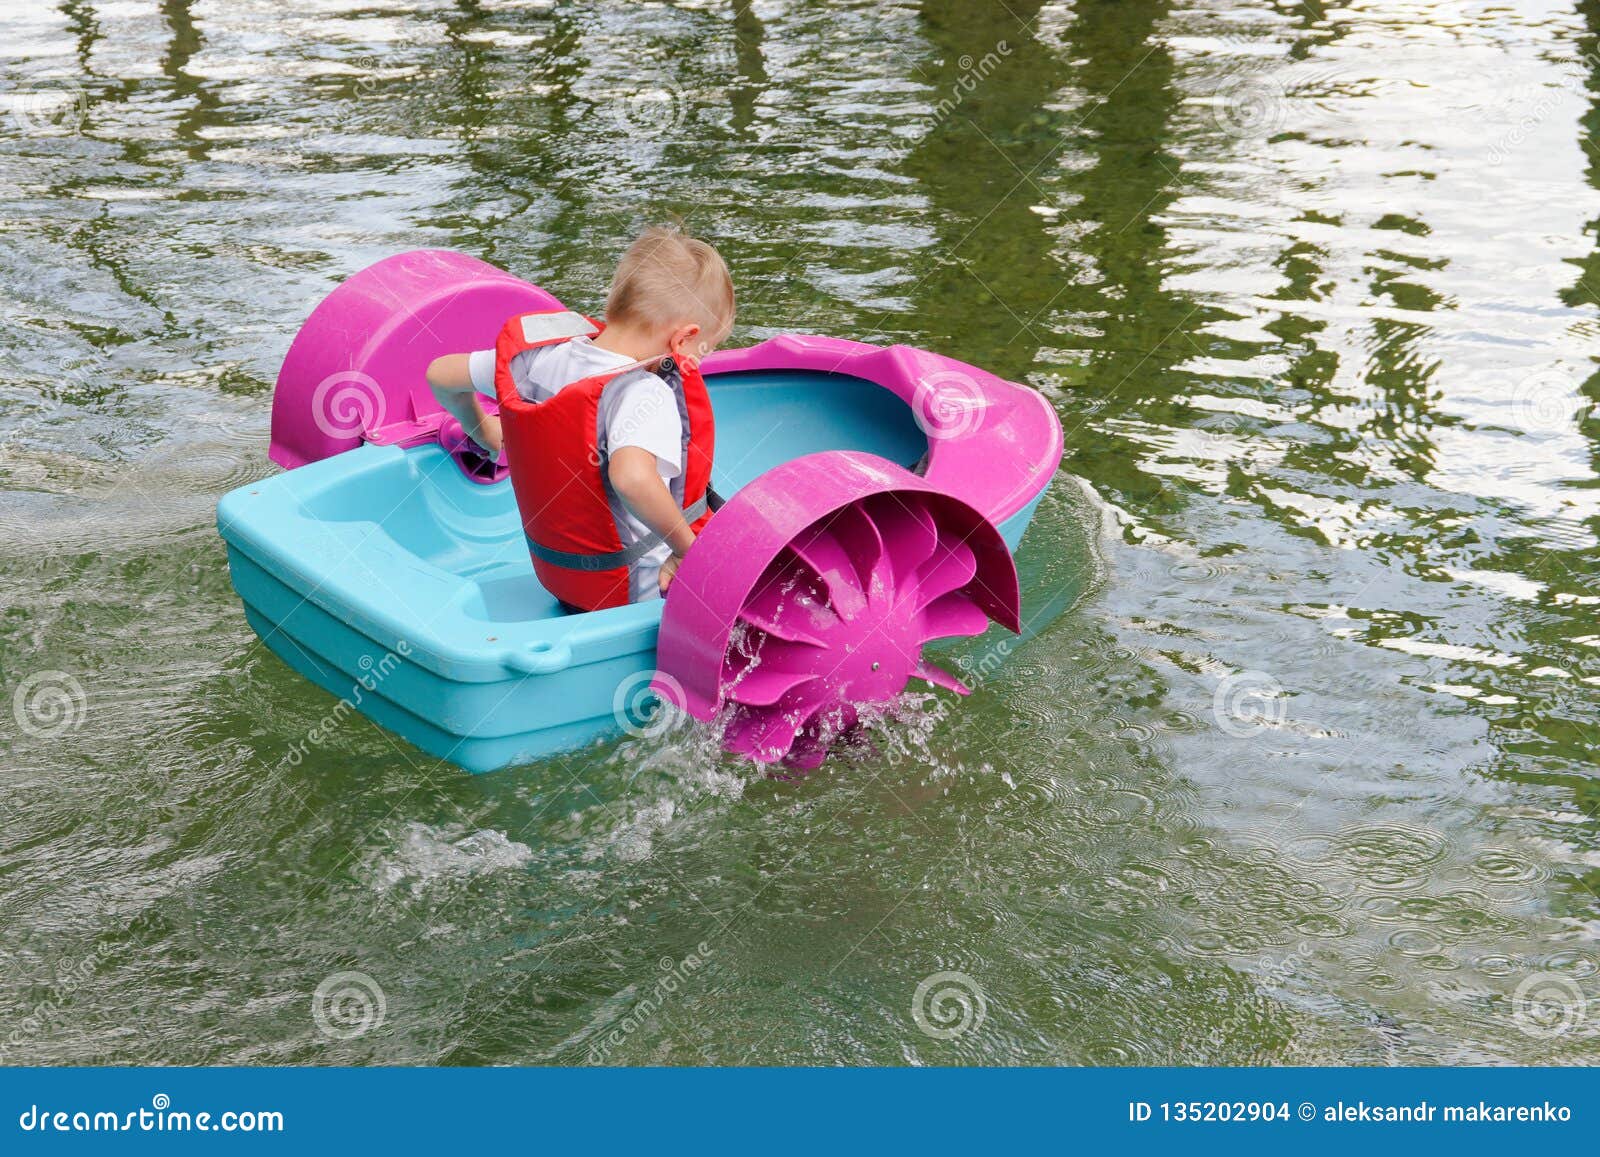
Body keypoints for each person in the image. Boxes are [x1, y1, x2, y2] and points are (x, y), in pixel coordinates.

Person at [425, 225, 735, 608]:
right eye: (704, 349)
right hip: (640, 593)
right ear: (683, 338)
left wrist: (483, 430)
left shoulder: (537, 359)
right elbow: (632, 478)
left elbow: (440, 375)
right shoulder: (645, 393)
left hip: (563, 581)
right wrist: (687, 550)